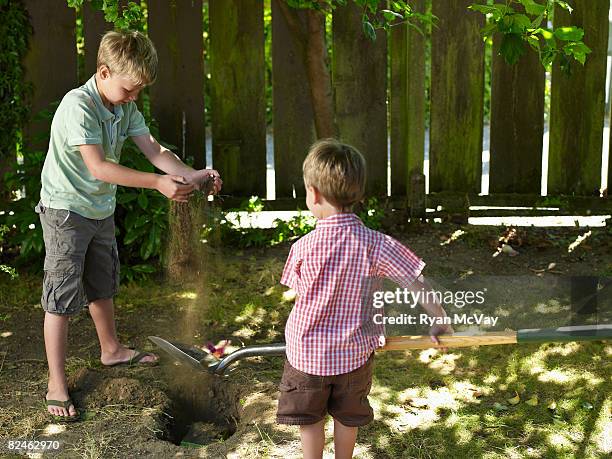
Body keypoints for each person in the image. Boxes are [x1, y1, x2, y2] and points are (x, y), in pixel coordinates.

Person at [38, 30, 222, 421]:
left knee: (101, 285)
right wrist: (157, 183)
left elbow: (154, 151)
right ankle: (56, 383)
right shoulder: (79, 105)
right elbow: (99, 166)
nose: (134, 97)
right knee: (61, 297)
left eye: (139, 91)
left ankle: (112, 350)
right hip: (65, 212)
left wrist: (195, 175)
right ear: (104, 72)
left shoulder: (124, 108)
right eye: (129, 89)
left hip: (99, 209)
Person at [276, 139, 452, 458]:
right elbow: (416, 281)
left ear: (313, 194)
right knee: (348, 416)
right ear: (357, 194)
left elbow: (298, 289)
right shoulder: (377, 244)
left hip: (306, 357)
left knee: (310, 420)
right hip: (354, 357)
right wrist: (439, 318)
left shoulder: (303, 247)